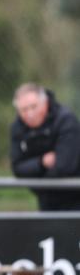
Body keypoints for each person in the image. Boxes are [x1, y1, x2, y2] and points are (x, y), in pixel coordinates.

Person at [10, 83, 80, 211]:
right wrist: (41, 162)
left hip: (75, 196)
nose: (30, 114)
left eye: (33, 107)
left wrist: (39, 182)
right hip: (46, 201)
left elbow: (65, 167)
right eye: (24, 110)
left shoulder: (66, 120)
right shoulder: (18, 128)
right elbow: (17, 168)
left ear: (45, 103)